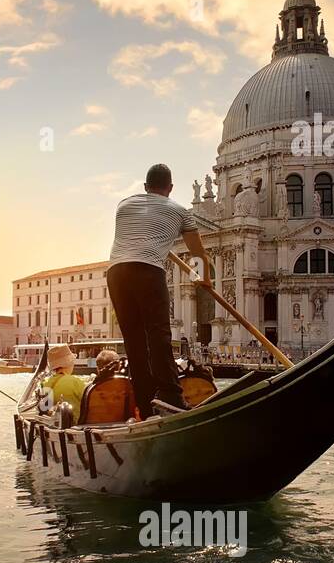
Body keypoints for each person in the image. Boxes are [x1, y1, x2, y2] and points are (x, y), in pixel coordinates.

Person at [107, 163, 210, 417]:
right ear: (171, 188)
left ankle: (145, 404)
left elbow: (137, 233)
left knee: (135, 341)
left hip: (116, 273)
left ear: (145, 187)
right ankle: (171, 397)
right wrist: (203, 278)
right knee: (159, 338)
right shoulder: (181, 212)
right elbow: (197, 254)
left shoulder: (124, 204)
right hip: (148, 270)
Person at [42, 345, 87, 418]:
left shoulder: (47, 383)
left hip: (56, 424)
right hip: (76, 425)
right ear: (68, 363)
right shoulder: (75, 382)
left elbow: (45, 408)